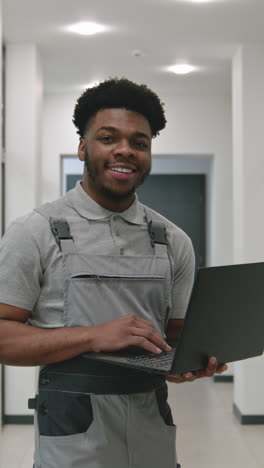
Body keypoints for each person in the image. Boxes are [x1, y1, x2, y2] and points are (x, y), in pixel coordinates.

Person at [0, 78, 227, 468]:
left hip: (151, 432)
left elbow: (174, 340)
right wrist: (94, 336)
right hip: (71, 438)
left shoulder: (173, 241)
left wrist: (192, 363)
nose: (125, 150)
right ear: (83, 147)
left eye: (139, 142)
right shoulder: (35, 231)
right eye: (109, 138)